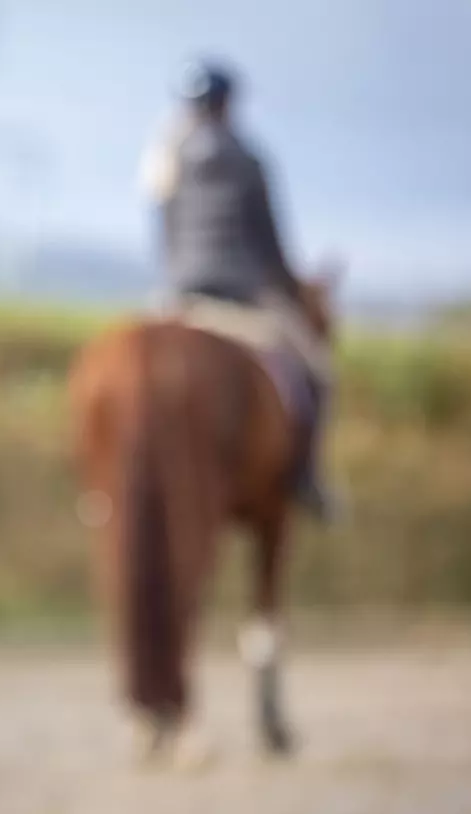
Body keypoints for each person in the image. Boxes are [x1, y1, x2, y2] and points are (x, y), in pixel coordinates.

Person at [141, 59, 336, 519]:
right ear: (228, 105)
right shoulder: (250, 160)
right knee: (318, 374)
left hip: (179, 293)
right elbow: (269, 241)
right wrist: (290, 287)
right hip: (242, 296)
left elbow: (164, 234)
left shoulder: (166, 160)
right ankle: (307, 474)